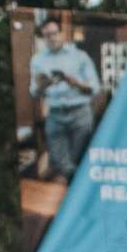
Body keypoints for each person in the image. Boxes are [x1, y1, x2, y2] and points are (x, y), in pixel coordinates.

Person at [28, 17, 100, 182]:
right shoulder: (38, 60)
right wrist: (43, 85)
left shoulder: (80, 57)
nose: (51, 38)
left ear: (61, 33)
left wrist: (74, 82)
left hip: (80, 113)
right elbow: (34, 92)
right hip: (55, 114)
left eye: (54, 33)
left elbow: (94, 88)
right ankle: (76, 186)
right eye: (47, 35)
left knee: (80, 156)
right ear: (43, 38)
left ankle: (74, 191)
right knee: (59, 159)